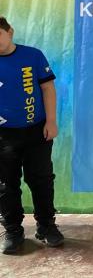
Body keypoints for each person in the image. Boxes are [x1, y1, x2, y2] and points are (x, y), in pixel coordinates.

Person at [0, 17, 64, 254]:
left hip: (37, 131)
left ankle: (46, 226)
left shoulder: (33, 56)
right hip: (3, 136)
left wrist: (51, 121)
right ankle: (13, 231)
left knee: (42, 179)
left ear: (10, 32)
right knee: (5, 184)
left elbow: (48, 88)